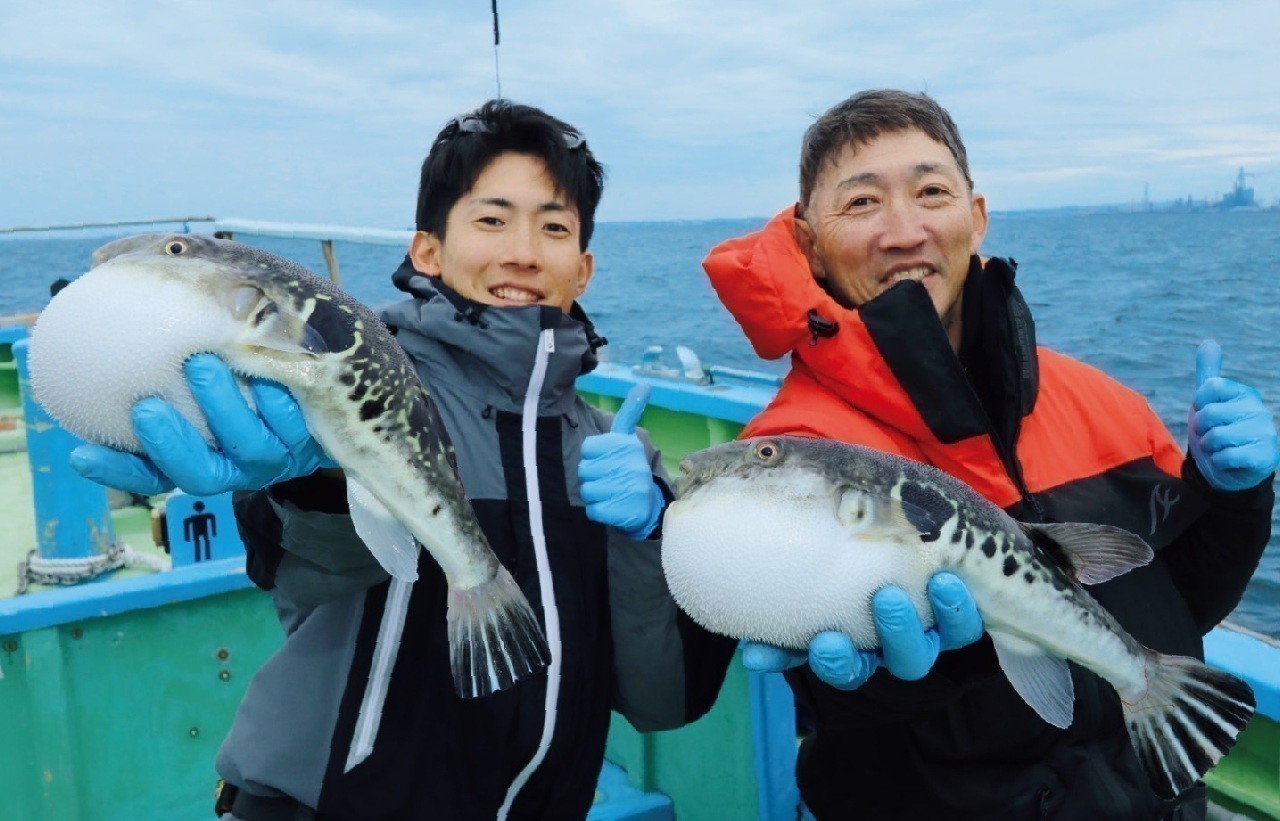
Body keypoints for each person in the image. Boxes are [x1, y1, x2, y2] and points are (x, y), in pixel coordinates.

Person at [72, 99, 735, 820]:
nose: (523, 251)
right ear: (427, 251)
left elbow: (662, 700)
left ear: (584, 266)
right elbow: (304, 570)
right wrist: (315, 477)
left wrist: (650, 536)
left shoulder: (617, 452)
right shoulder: (349, 380)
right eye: (491, 219)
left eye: (554, 226)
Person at [702, 89, 1278, 819]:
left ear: (975, 219)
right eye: (861, 204)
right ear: (810, 243)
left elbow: (1177, 604)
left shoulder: (1105, 402)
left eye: (931, 192)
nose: (904, 230)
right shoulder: (797, 456)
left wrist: (1234, 496)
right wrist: (928, 667)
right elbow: (827, 688)